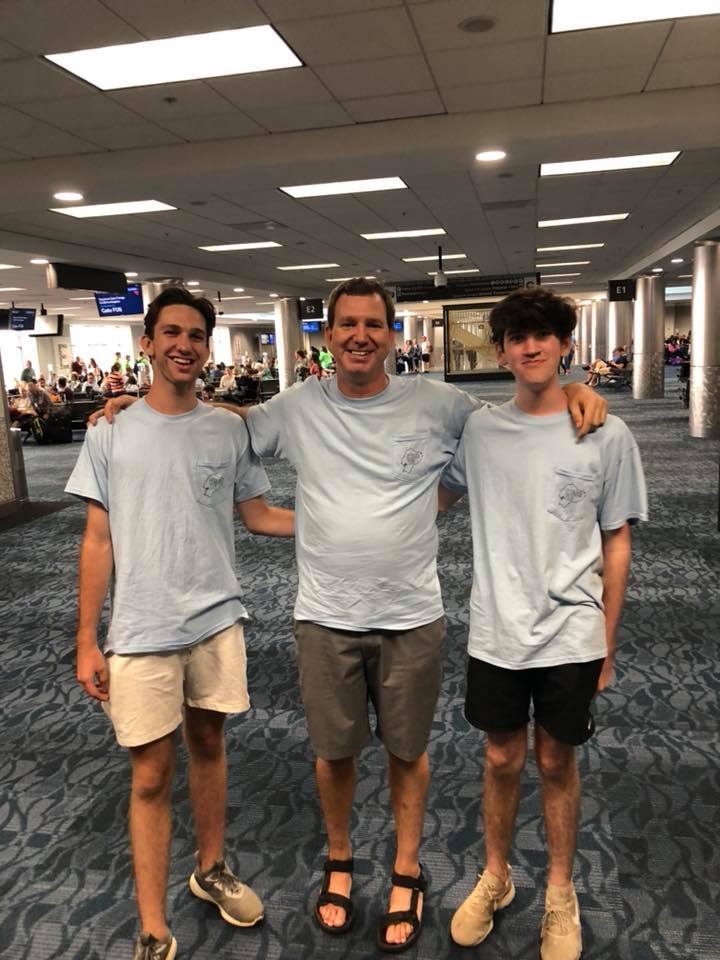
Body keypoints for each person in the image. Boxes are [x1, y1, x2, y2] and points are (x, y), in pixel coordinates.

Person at [95, 278, 606, 954]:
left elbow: (515, 413)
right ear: (329, 337)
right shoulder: (297, 407)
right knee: (333, 754)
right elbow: (218, 426)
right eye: (347, 324)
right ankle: (339, 859)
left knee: (406, 753)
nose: (360, 334)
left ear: (392, 335)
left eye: (374, 323)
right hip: (324, 616)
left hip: (413, 614)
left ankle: (405, 868)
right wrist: (142, 405)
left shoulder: (440, 404)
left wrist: (575, 389)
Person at [66, 287, 294, 960]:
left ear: (206, 346)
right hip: (139, 630)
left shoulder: (226, 429)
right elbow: (97, 541)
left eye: (196, 335)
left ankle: (211, 868)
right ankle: (151, 926)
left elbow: (260, 516)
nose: (184, 345)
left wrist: (340, 526)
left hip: (217, 621)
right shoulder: (110, 430)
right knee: (149, 775)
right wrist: (85, 637)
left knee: (210, 746)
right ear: (148, 342)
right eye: (171, 333)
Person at [440, 288, 647, 960]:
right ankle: (495, 876)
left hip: (573, 630)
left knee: (557, 759)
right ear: (500, 350)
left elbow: (616, 538)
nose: (530, 347)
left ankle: (561, 891)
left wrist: (608, 641)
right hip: (496, 626)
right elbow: (423, 492)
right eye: (517, 337)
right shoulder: (479, 429)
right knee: (500, 757)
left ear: (563, 345)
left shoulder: (604, 432)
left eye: (543, 335)